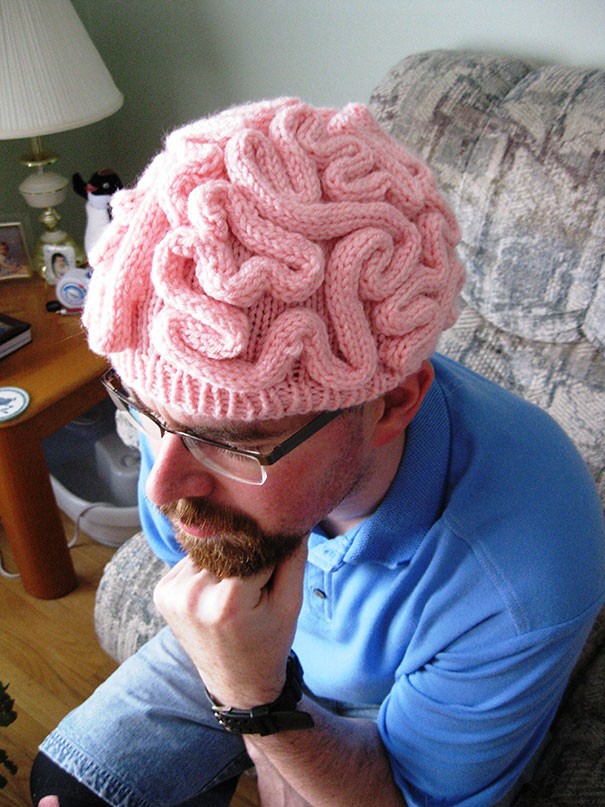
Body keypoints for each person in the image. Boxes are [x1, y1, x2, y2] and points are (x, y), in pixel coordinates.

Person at [31, 98, 605, 807]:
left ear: (390, 405)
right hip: (245, 643)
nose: (160, 489)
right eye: (148, 415)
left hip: (374, 709)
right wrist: (241, 678)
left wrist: (258, 706)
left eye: (233, 443)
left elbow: (411, 797)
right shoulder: (191, 411)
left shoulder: (524, 571)